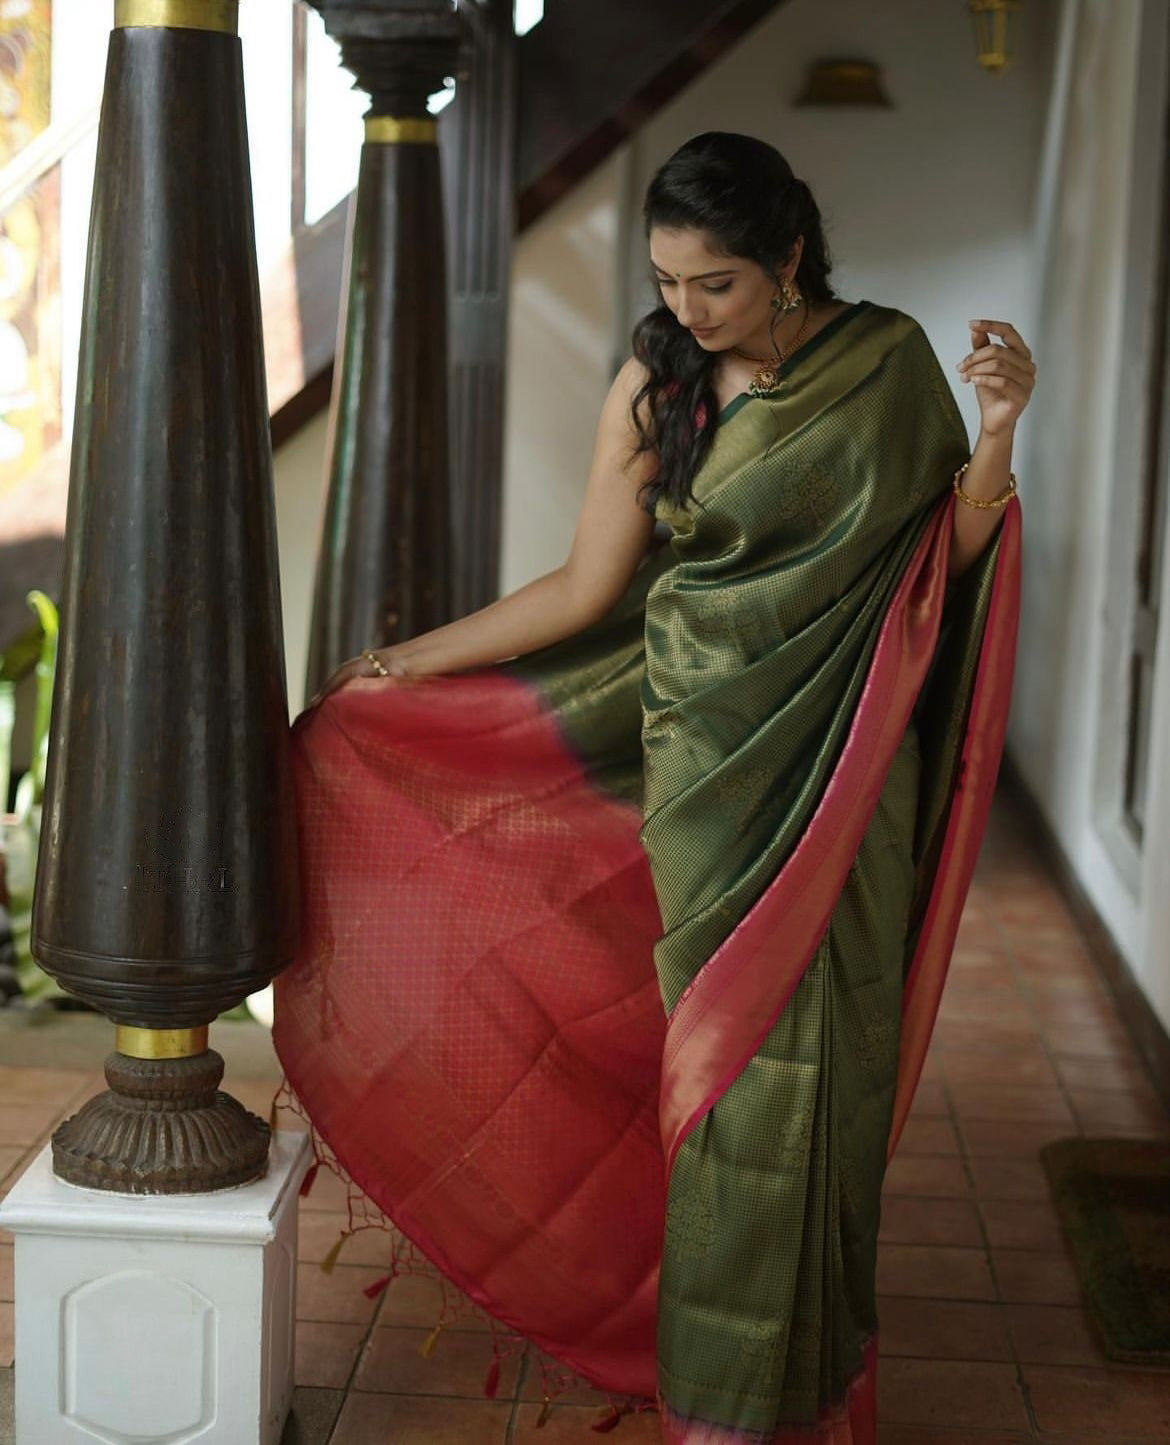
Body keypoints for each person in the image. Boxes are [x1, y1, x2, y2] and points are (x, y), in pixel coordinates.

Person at [274, 131, 1031, 1444]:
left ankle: (793, 1384)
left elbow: (934, 570)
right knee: (729, 1082)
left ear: (788, 256)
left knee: (819, 1088)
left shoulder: (885, 363)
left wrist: (997, 436)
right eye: (668, 281)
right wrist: (400, 662)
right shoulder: (656, 380)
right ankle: (720, 1405)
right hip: (699, 771)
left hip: (840, 773)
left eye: (714, 285)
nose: (684, 311)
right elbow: (579, 588)